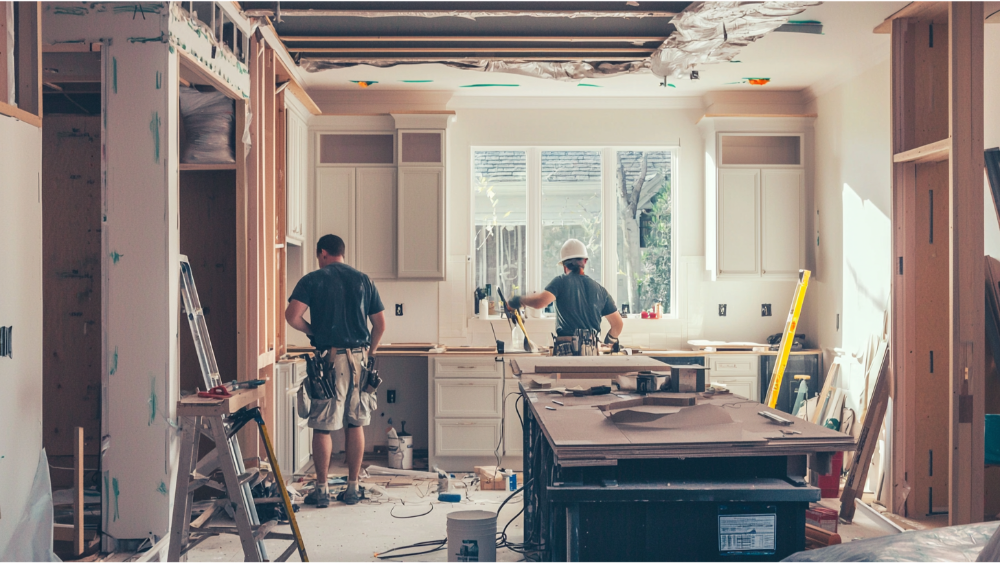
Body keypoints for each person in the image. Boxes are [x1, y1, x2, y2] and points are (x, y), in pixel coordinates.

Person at [285, 234, 386, 507]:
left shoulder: (313, 279)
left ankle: (321, 490)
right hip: (359, 359)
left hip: (330, 360)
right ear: (343, 253)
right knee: (355, 423)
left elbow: (292, 315)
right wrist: (370, 353)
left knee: (323, 426)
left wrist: (313, 332)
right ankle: (352, 488)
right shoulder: (364, 280)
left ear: (322, 253)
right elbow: (380, 325)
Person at [507, 239, 624, 352]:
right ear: (585, 262)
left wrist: (517, 301)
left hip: (567, 350)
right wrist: (608, 342)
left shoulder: (561, 282)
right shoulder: (600, 290)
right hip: (592, 351)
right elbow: (618, 324)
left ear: (564, 265)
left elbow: (541, 301)